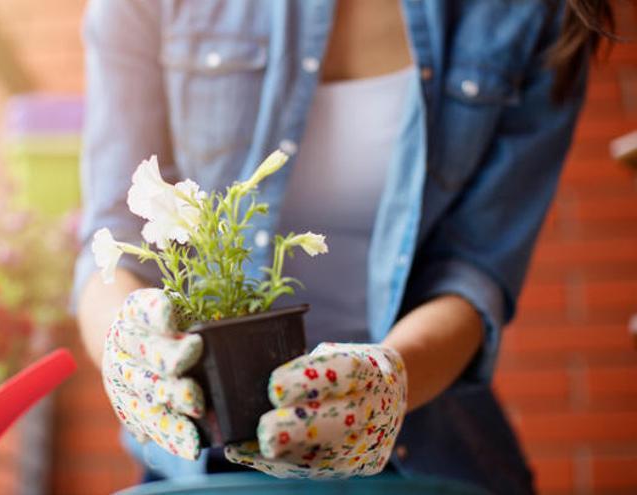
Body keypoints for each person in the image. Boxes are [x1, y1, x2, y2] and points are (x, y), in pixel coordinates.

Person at [73, 1, 614, 493]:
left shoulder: (533, 14)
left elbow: (474, 272)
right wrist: (131, 350)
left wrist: (389, 383)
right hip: (203, 468)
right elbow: (112, 235)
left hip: (425, 458)